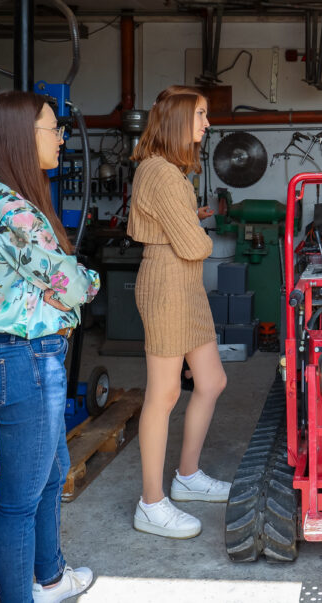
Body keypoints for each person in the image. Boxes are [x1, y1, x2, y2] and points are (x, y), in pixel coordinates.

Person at [0, 91, 100, 602]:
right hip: (21, 358)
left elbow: (57, 278)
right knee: (22, 499)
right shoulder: (9, 209)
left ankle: (50, 578)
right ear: (24, 138)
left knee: (51, 475)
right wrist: (85, 279)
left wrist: (69, 276)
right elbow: (71, 285)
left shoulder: (14, 202)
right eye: (53, 129)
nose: (62, 139)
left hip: (35, 354)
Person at [128, 85, 228, 539]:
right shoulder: (162, 174)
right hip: (168, 283)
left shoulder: (170, 172)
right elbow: (194, 245)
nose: (207, 124)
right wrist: (197, 233)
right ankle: (150, 503)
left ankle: (186, 477)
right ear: (177, 121)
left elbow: (185, 235)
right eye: (201, 115)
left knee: (211, 381)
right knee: (164, 394)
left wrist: (190, 225)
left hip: (184, 284)